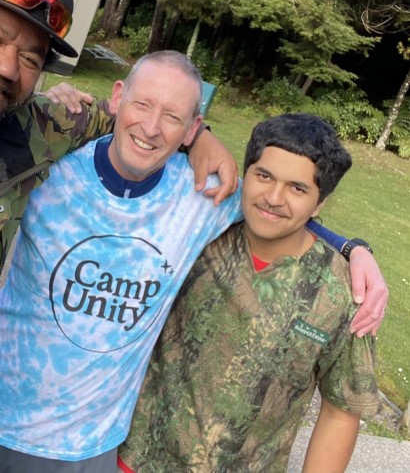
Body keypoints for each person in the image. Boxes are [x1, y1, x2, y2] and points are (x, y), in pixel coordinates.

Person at [0, 0, 388, 468]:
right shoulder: (47, 156)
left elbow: (276, 204)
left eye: (174, 118)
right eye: (143, 105)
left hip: (88, 445)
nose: (151, 127)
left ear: (193, 128)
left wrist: (352, 248)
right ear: (117, 97)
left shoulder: (205, 196)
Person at [117, 113, 380, 473]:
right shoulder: (196, 231)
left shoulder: (344, 294)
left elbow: (340, 412)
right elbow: (142, 133)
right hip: (135, 459)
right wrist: (201, 137)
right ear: (246, 174)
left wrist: (354, 250)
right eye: (264, 175)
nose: (273, 197)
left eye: (297, 188)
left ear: (320, 203)